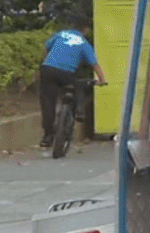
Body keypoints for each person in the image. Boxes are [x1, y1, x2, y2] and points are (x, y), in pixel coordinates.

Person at [38, 16, 106, 148]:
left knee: (48, 103)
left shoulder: (61, 34)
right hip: (67, 74)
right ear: (86, 29)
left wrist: (47, 61)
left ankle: (47, 136)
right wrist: (102, 80)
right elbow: (94, 64)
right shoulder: (84, 43)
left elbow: (46, 47)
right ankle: (78, 111)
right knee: (77, 87)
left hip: (48, 69)